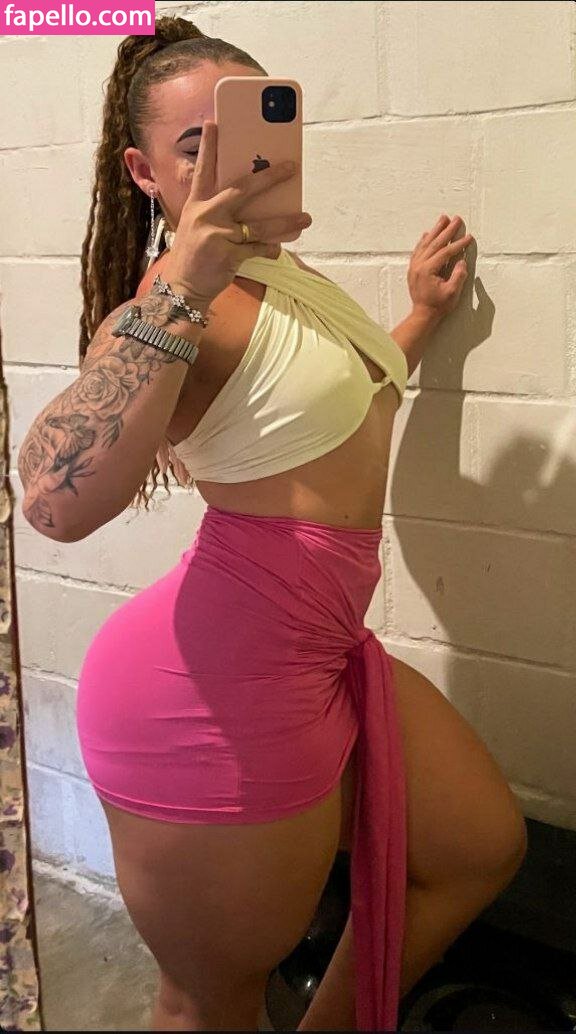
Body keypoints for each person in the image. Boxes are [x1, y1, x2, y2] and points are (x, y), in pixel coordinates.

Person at [18, 17, 528, 1033]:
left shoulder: (288, 285)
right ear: (144, 174)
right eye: (196, 148)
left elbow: (338, 403)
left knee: (479, 846)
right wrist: (183, 282)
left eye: (257, 135)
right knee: (210, 1002)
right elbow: (50, 500)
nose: (236, 167)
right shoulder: (172, 309)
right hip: (206, 695)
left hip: (321, 648)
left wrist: (419, 317)